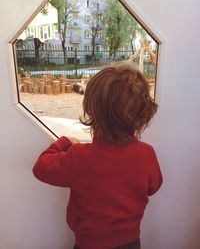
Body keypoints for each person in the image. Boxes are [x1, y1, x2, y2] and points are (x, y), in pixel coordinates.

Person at [33, 63, 163, 249]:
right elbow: (154, 186)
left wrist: (64, 142)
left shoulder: (78, 156)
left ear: (92, 110)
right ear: (143, 114)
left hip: (89, 244)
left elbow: (41, 168)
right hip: (131, 242)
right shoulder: (147, 154)